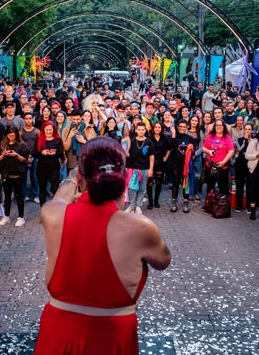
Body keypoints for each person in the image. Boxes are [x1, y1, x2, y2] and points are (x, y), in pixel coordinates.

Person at [34, 136, 171, 354]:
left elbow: (58, 198)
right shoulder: (141, 227)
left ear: (81, 177)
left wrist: (72, 178)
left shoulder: (53, 214)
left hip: (60, 331)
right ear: (123, 179)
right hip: (112, 334)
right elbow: (163, 261)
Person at [0, 125, 30, 227]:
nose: (11, 137)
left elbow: (25, 159)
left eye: (13, 135)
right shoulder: (3, 144)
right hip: (6, 173)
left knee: (19, 195)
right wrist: (3, 155)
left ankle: (21, 217)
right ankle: (6, 216)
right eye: (9, 135)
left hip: (18, 173)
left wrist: (16, 155)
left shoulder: (22, 145)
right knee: (7, 196)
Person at [124, 122, 154, 214]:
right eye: (139, 129)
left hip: (144, 168)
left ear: (145, 130)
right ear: (136, 130)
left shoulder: (149, 142)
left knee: (142, 189)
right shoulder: (132, 141)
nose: (141, 131)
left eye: (142, 130)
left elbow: (151, 157)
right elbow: (128, 155)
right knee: (131, 188)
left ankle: (138, 206)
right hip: (132, 168)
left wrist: (151, 169)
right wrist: (125, 152)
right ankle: (131, 206)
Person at [35, 121, 64, 206]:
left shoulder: (57, 140)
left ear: (53, 130)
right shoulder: (39, 139)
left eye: (50, 130)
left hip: (54, 168)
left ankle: (54, 210)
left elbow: (61, 154)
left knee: (55, 190)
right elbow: (34, 153)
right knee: (42, 190)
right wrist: (42, 152)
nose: (48, 132)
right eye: (46, 130)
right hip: (41, 168)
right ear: (43, 130)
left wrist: (55, 153)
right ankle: (43, 209)